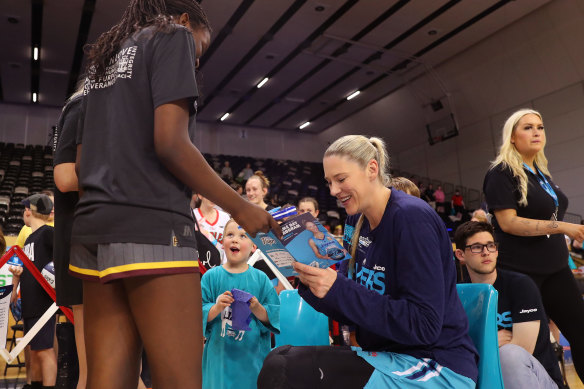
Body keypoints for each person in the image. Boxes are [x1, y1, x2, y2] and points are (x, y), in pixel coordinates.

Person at [70, 2, 280, 388]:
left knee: (108, 381)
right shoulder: (173, 35)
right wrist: (242, 208)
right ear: (185, 21)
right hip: (153, 225)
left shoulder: (103, 62)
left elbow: (82, 166)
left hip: (92, 231)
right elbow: (170, 144)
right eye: (200, 50)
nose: (195, 62)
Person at [258, 135, 478, 388]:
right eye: (329, 182)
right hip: (388, 355)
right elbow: (350, 302)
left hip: (435, 363)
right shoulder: (355, 221)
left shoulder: (411, 218)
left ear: (372, 169)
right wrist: (314, 284)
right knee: (278, 357)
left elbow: (424, 326)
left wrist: (337, 288)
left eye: (341, 179)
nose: (333, 191)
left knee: (285, 370)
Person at [483, 108, 584, 381]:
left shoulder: (541, 173)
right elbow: (508, 223)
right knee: (539, 348)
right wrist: (564, 227)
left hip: (556, 269)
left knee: (581, 331)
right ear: (512, 137)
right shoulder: (501, 172)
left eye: (540, 126)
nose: (536, 132)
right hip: (520, 272)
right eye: (527, 127)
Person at [454, 221, 563, 389]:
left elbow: (523, 348)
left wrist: (475, 345)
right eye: (477, 247)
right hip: (487, 381)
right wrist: (490, 341)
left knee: (509, 355)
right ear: (461, 255)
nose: (486, 252)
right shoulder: (459, 294)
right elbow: (453, 350)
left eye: (490, 246)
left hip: (537, 380)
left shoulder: (520, 285)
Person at [201, 219, 280, 389]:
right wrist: (216, 308)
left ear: (253, 247)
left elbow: (274, 315)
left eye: (243, 236)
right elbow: (196, 313)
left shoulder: (261, 279)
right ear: (222, 242)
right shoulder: (210, 277)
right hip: (218, 360)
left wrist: (257, 308)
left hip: (251, 360)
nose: (235, 239)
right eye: (230, 235)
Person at [52, 88, 87, 389]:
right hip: (84, 243)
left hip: (96, 240)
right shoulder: (83, 103)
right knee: (96, 369)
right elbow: (65, 177)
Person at [10, 194, 57, 389]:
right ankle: (36, 384)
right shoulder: (29, 238)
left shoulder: (48, 233)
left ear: (29, 211)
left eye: (25, 209)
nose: (23, 212)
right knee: (35, 350)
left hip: (43, 304)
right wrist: (19, 275)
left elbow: (60, 261)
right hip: (29, 303)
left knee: (45, 351)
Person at [194, 194, 231, 263]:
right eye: (209, 193)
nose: (213, 197)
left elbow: (229, 245)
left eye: (215, 193)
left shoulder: (225, 217)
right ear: (200, 195)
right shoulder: (192, 215)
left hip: (221, 267)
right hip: (200, 265)